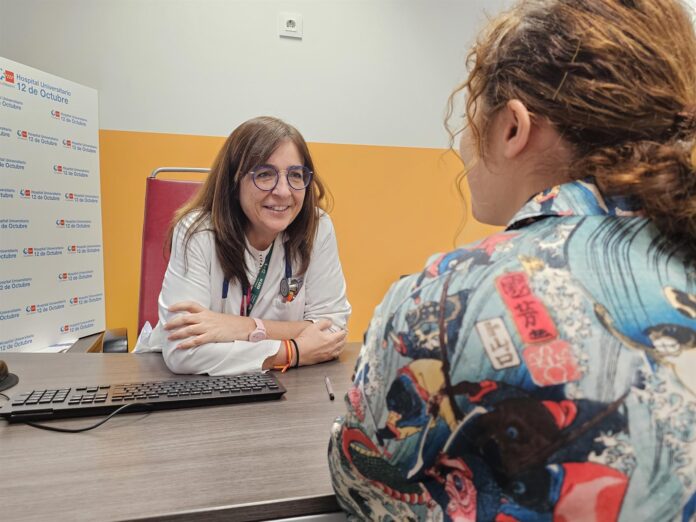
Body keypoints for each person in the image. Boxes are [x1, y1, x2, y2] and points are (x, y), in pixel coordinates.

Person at [328, 1, 696, 520]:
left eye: (469, 116)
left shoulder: (443, 300)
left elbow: (359, 477)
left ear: (512, 128)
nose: (462, 147)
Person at [135, 116, 351, 375]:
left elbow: (331, 332)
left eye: (295, 175)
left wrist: (241, 327)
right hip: (188, 386)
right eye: (265, 174)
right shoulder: (197, 233)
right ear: (234, 181)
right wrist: (292, 350)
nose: (283, 191)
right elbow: (184, 352)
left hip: (282, 386)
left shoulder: (316, 228)